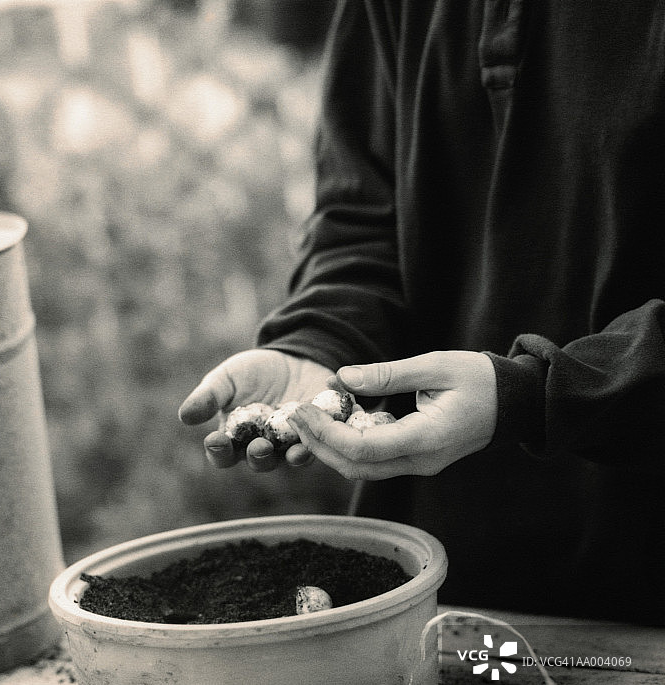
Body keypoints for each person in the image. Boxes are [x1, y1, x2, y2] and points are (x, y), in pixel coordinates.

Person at [179, 0, 665, 624]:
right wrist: (316, 341)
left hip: (645, 598)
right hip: (438, 598)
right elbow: (363, 220)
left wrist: (532, 394)